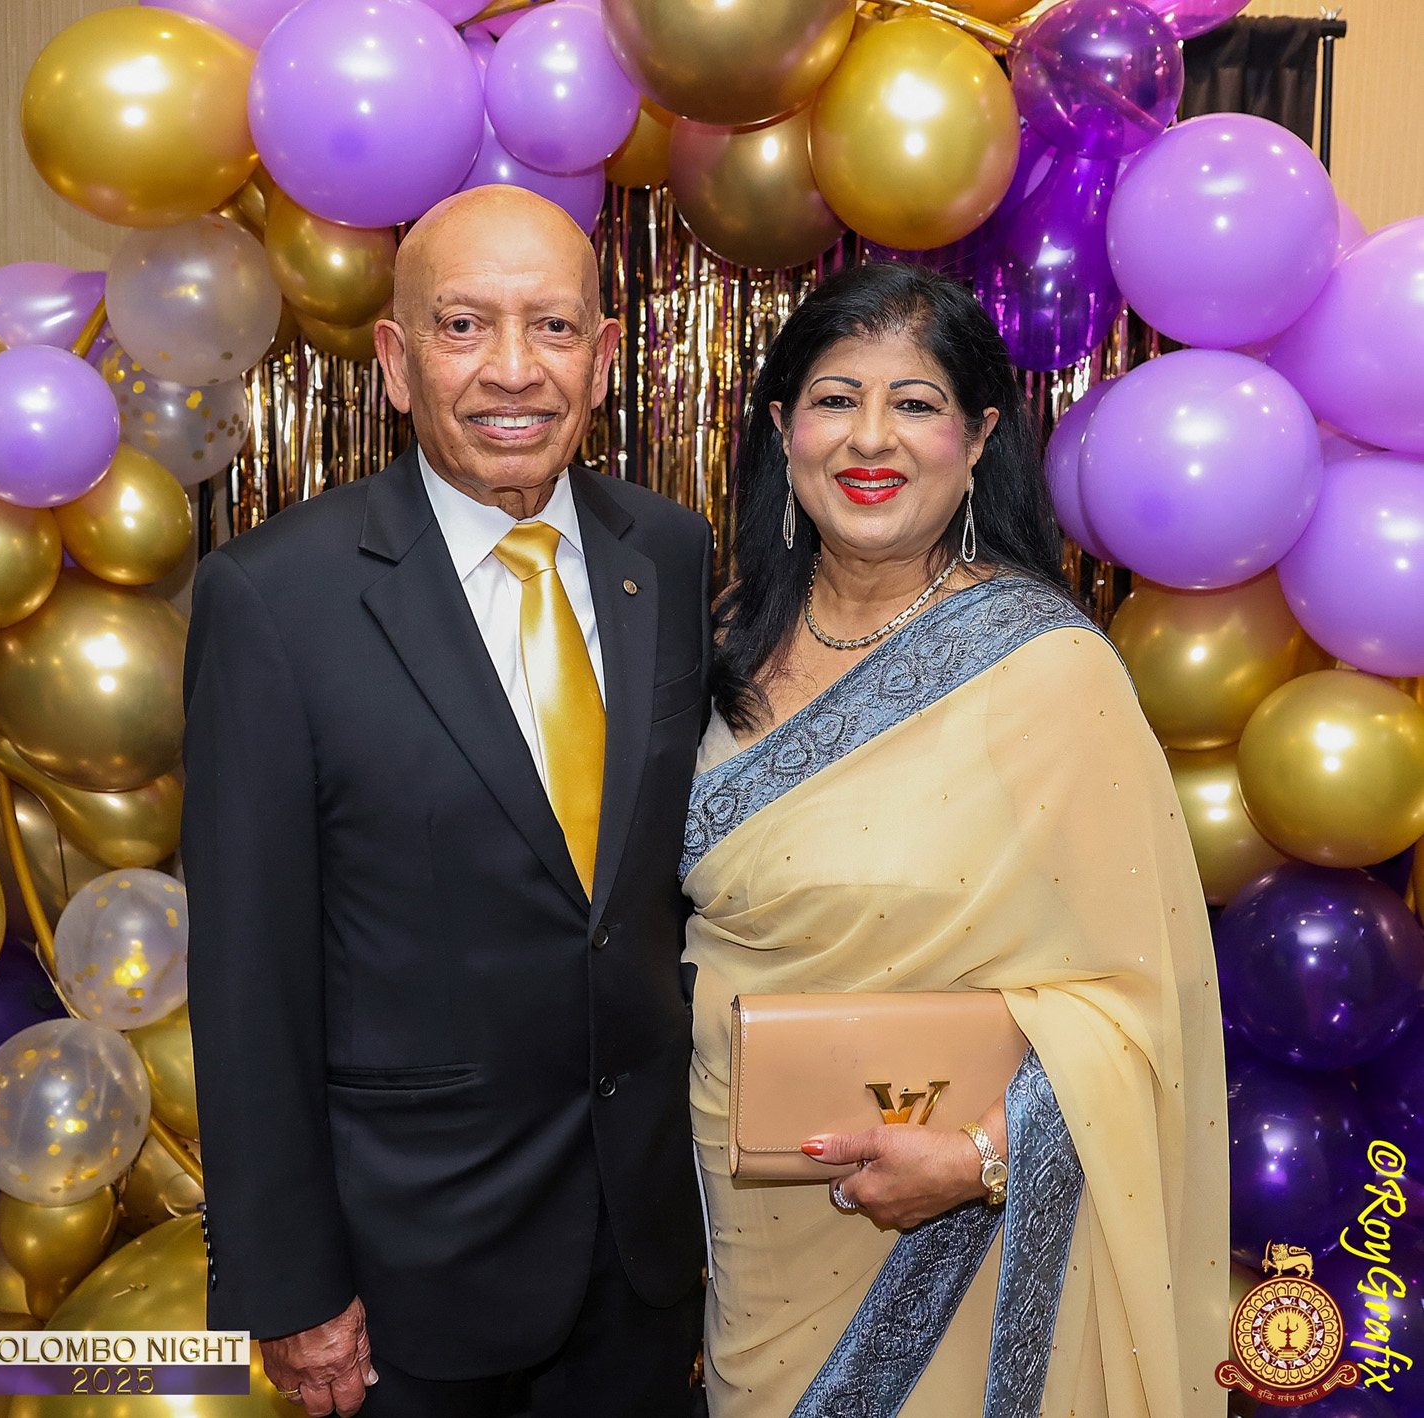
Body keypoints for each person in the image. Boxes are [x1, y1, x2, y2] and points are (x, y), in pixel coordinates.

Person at [183, 186, 711, 1418]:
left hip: (646, 1255)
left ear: (604, 357)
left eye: (554, 326)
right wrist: (287, 1282)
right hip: (405, 1272)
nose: (513, 370)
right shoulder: (275, 598)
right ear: (395, 360)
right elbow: (250, 974)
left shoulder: (670, 554)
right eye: (464, 325)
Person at [681, 262, 1228, 1417]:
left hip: (960, 1234)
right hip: (747, 1230)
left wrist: (982, 1157)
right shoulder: (714, 640)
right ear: (781, 428)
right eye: (835, 398)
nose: (870, 437)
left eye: (916, 403)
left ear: (978, 436)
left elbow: (1140, 1009)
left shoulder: (1050, 670)